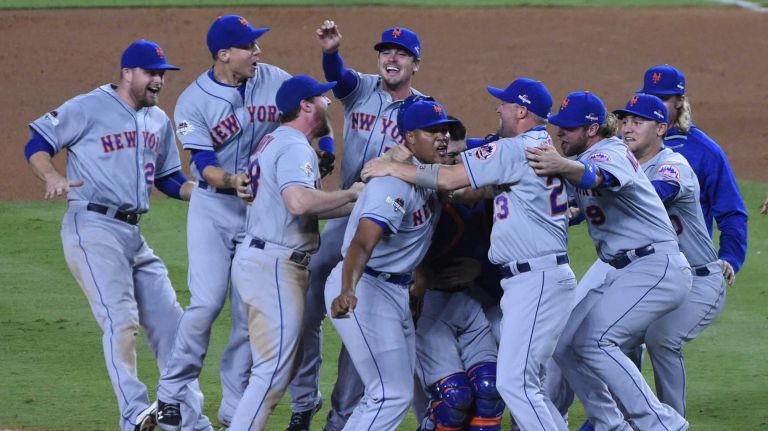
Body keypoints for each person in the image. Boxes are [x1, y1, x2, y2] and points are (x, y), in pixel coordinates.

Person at [363, 77, 577, 430]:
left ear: (521, 110)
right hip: (539, 277)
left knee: (515, 384)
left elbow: (450, 179)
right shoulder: (541, 148)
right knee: (523, 382)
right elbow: (467, 191)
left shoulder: (514, 149)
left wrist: (392, 167)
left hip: (536, 279)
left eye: (505, 103)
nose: (498, 108)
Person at [25, 40, 211, 431]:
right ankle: (134, 413)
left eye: (162, 73)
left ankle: (190, 421)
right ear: (127, 73)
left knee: (173, 325)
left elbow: (169, 179)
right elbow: (38, 143)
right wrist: (52, 175)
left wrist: (207, 194)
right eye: (151, 73)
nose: (158, 80)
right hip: (92, 226)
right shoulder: (88, 106)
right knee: (120, 319)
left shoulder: (158, 119)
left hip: (132, 234)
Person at [154, 15, 293, 431]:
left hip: (260, 213)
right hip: (214, 208)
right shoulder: (194, 101)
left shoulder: (274, 79)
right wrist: (234, 181)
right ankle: (170, 392)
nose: (258, 52)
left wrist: (321, 148)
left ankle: (234, 409)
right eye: (250, 46)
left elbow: (312, 110)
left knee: (246, 310)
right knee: (207, 301)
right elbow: (203, 165)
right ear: (223, 54)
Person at [286, 20, 424, 431]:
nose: (391, 58)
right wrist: (331, 51)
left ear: (416, 63)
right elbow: (337, 78)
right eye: (385, 52)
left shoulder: (423, 110)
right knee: (305, 310)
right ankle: (303, 402)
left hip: (383, 228)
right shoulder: (362, 88)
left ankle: (342, 417)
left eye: (400, 53)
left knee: (359, 323)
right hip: (342, 215)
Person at [525, 91, 692, 431]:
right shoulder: (582, 158)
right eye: (559, 126)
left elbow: (597, 177)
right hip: (624, 270)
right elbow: (570, 204)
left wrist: (561, 165)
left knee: (597, 340)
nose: (560, 134)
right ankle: (609, 423)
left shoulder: (611, 151)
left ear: (591, 130)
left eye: (569, 128)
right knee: (566, 342)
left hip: (656, 265)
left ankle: (664, 425)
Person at [227, 74, 362, 431]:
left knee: (274, 369)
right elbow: (300, 202)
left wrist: (358, 204)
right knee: (271, 373)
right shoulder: (294, 146)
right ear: (305, 105)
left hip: (265, 259)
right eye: (322, 98)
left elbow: (309, 208)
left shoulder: (274, 140)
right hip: (274, 265)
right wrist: (350, 194)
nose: (328, 103)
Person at [325, 99, 454, 430]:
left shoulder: (427, 175)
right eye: (432, 131)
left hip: (394, 289)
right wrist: (348, 289)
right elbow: (363, 241)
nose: (442, 137)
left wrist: (419, 280)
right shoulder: (392, 184)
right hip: (365, 285)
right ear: (410, 139)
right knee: (389, 394)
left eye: (445, 130)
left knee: (396, 390)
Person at [616, 94, 727, 416]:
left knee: (662, 339)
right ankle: (619, 418)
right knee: (611, 339)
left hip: (699, 280)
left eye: (637, 121)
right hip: (656, 278)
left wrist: (604, 186)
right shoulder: (622, 164)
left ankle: (671, 421)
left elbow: (661, 192)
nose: (627, 128)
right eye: (624, 121)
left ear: (662, 128)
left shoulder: (673, 164)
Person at [412, 119, 504, 431]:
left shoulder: (478, 161)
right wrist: (422, 275)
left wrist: (481, 267)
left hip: (473, 301)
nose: (454, 164)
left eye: (459, 157)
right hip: (430, 308)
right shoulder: (417, 188)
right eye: (447, 157)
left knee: (490, 390)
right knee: (454, 398)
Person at [637, 64, 746, 285]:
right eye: (650, 98)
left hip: (684, 263)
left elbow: (731, 212)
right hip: (633, 258)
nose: (655, 107)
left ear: (680, 101)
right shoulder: (629, 144)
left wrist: (730, 257)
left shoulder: (705, 152)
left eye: (663, 99)